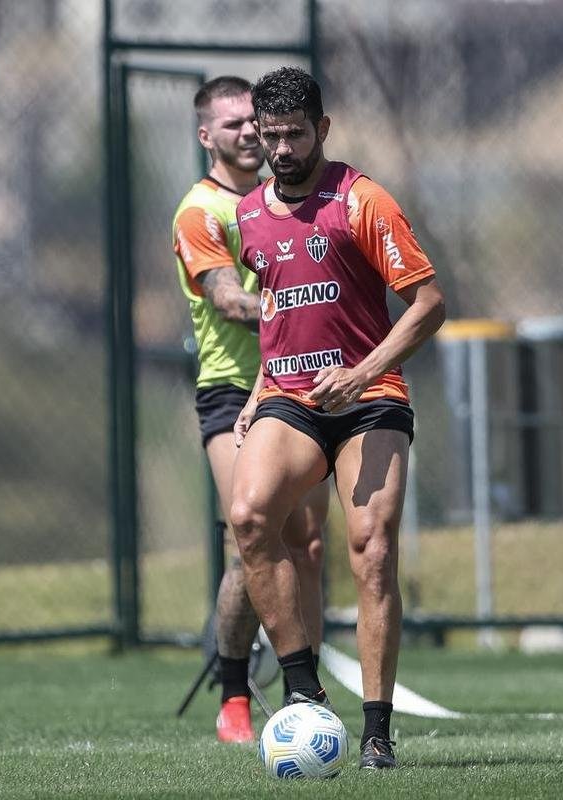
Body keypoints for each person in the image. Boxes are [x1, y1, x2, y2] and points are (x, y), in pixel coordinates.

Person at [229, 66, 446, 770]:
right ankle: (301, 690)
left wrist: (360, 372)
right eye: (271, 136)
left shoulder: (363, 201)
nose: (282, 148)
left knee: (371, 548)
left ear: (322, 130)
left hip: (369, 395)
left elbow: (428, 304)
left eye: (295, 134)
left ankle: (377, 730)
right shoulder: (250, 216)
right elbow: (280, 314)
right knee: (251, 516)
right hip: (290, 399)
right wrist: (261, 391)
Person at [171, 76, 328, 745]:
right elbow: (226, 294)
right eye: (231, 124)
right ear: (207, 135)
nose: (247, 133)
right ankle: (234, 690)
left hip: (301, 386)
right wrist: (288, 306)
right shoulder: (200, 211)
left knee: (310, 546)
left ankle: (307, 694)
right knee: (252, 536)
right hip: (233, 392)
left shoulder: (282, 200)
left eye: (253, 123)